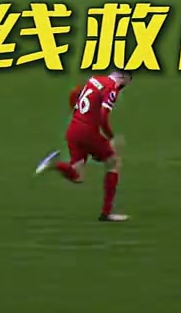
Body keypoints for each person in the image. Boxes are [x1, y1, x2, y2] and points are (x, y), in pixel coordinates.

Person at [35, 70, 130, 221]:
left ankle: (54, 164)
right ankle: (106, 213)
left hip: (73, 129)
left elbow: (74, 95)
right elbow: (103, 117)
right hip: (88, 133)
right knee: (113, 162)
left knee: (77, 176)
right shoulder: (112, 88)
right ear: (123, 78)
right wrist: (111, 137)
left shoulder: (94, 79)